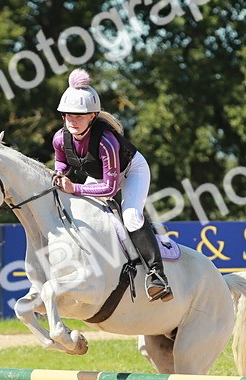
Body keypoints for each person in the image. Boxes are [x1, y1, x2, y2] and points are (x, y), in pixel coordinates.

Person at [51, 68, 172, 302]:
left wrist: (74, 188)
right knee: (82, 213)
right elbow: (62, 160)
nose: (72, 121)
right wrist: (60, 173)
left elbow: (108, 188)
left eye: (79, 115)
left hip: (131, 171)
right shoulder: (59, 137)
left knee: (131, 217)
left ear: (92, 116)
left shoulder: (106, 141)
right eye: (67, 115)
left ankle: (157, 275)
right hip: (102, 175)